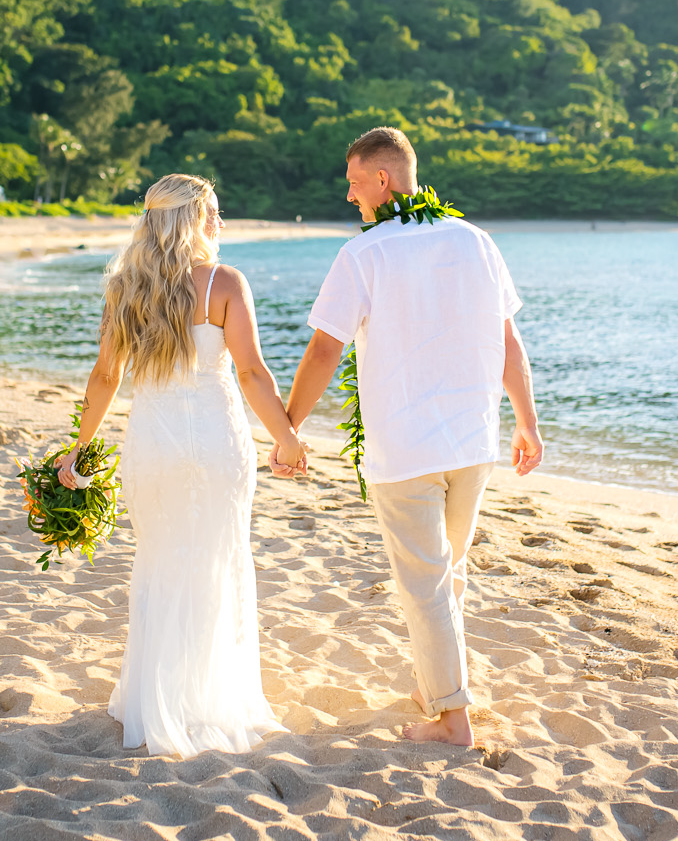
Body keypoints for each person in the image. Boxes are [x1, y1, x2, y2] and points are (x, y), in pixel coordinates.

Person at [278, 128, 543, 747]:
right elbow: (509, 341)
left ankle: (453, 720)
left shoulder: (365, 255)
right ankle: (435, 687)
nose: (349, 196)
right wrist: (526, 421)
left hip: (405, 448)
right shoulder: (475, 241)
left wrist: (289, 422)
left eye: (352, 182)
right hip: (472, 443)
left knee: (425, 581)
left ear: (383, 180)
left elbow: (324, 348)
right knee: (447, 574)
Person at [59, 173, 304, 756]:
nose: (221, 223)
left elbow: (105, 377)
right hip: (218, 444)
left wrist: (78, 448)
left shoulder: (124, 286)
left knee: (162, 559)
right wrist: (287, 438)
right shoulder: (223, 283)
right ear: (192, 219)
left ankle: (155, 696)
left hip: (155, 442)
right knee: (219, 558)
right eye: (214, 212)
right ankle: (212, 699)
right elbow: (251, 374)